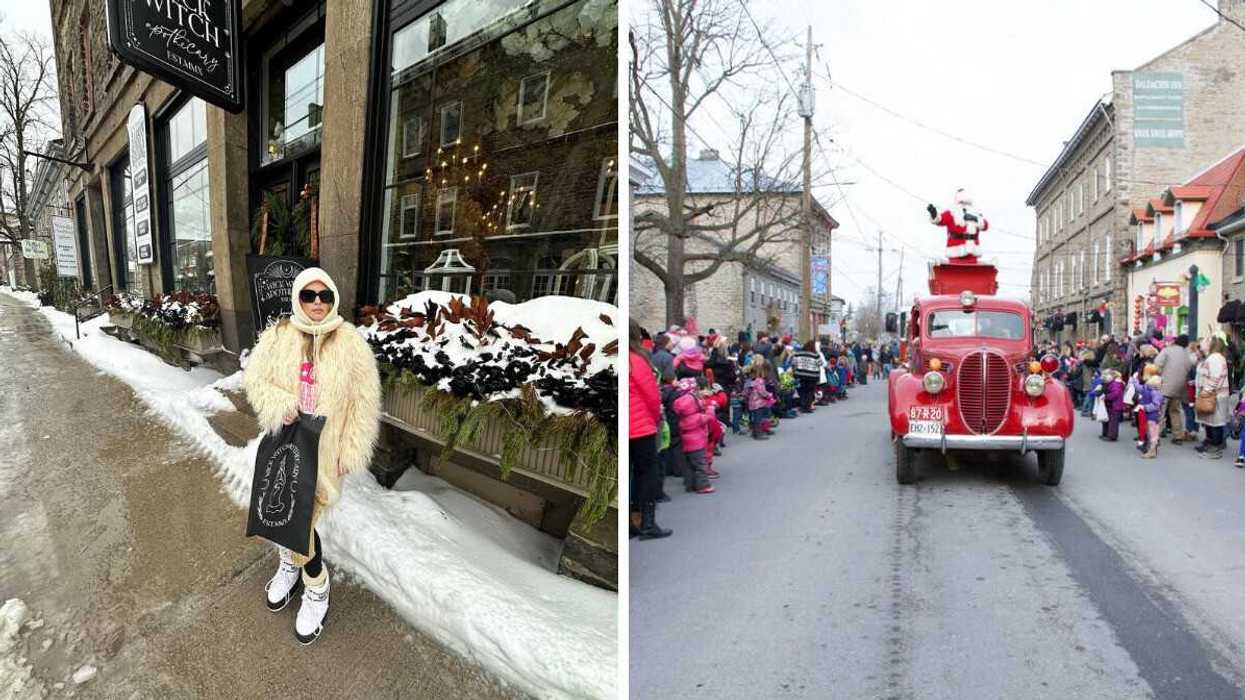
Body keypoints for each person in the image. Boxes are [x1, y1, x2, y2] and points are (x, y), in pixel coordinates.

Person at [243, 267, 381, 645]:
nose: (317, 302)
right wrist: (280, 404)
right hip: (289, 446)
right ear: (298, 298)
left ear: (334, 299)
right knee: (290, 511)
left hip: (327, 453)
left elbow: (364, 404)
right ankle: (296, 567)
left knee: (302, 518)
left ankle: (316, 587)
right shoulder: (278, 335)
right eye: (309, 295)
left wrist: (350, 451)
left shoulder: (350, 341)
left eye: (324, 296)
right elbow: (254, 380)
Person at [629, 319, 671, 540]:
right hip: (641, 427)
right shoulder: (637, 360)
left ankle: (630, 520)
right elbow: (652, 396)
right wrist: (655, 419)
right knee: (647, 474)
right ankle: (647, 522)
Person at [671, 377, 714, 494]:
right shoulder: (696, 417)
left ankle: (690, 485)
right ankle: (703, 485)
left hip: (686, 444)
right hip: (697, 443)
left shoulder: (683, 418)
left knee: (690, 465)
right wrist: (710, 410)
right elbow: (708, 418)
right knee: (701, 464)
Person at [1195, 336, 1231, 459]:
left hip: (1215, 395)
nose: (1201, 344)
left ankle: (1215, 449)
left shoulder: (1214, 358)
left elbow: (1214, 378)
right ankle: (1211, 445)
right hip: (1215, 394)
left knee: (1215, 422)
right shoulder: (1214, 357)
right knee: (1210, 421)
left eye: (1205, 341)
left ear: (1211, 345)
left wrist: (1206, 391)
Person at [1155, 334, 1195, 443]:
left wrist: (1159, 374)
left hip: (1165, 386)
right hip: (1179, 388)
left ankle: (1156, 435)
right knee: (1175, 411)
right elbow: (1189, 368)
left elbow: (1157, 363)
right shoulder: (1187, 355)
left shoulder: (1167, 350)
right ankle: (1178, 436)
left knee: (1160, 412)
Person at [744, 361, 775, 441]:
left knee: (754, 419)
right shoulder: (759, 381)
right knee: (758, 419)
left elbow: (745, 392)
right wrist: (769, 395)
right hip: (759, 403)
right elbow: (762, 392)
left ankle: (754, 433)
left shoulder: (749, 382)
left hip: (752, 404)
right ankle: (759, 434)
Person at [1139, 368, 1164, 459]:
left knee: (1152, 433)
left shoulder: (1155, 393)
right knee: (1150, 433)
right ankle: (1151, 450)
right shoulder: (1152, 391)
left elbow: (1156, 405)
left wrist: (1145, 407)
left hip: (1153, 416)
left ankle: (1152, 451)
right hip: (1151, 415)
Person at [792, 340, 823, 413]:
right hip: (812, 375)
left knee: (802, 390)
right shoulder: (815, 355)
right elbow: (820, 363)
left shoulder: (798, 353)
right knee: (810, 391)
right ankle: (807, 407)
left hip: (800, 374)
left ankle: (802, 406)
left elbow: (793, 363)